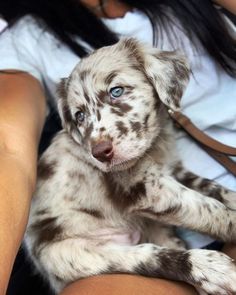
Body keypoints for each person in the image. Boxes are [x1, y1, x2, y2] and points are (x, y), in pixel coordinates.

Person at [0, 1, 235, 295]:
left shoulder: (158, 44)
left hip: (196, 210)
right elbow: (7, 145)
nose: (96, 139)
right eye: (81, 116)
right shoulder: (27, 38)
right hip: (144, 232)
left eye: (116, 92)